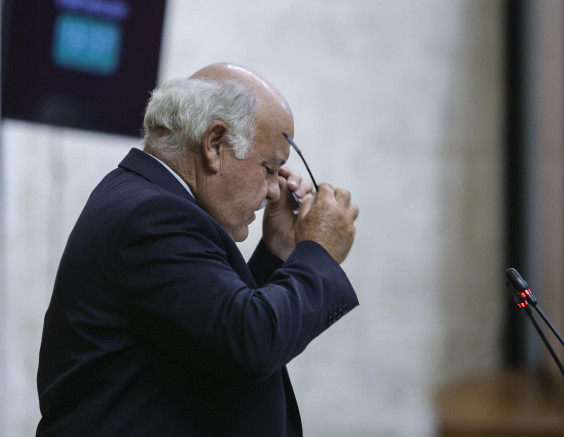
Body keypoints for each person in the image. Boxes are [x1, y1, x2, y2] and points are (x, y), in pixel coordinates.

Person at [36, 63, 359, 436]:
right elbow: (249, 343)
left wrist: (279, 251)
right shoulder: (154, 216)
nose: (275, 190)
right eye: (269, 168)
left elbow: (211, 329)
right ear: (215, 144)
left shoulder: (146, 199)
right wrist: (318, 250)